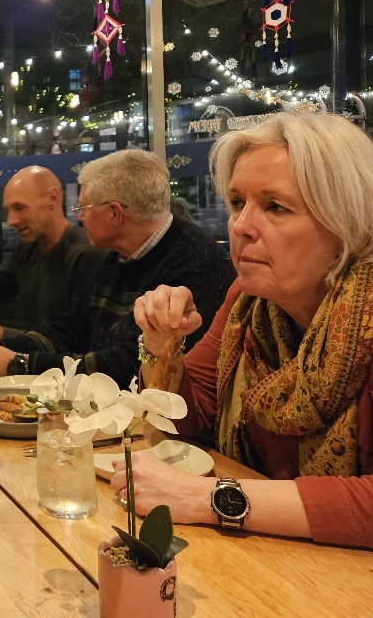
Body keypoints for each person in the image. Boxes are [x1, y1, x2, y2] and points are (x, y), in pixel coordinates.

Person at [125, 110, 373, 549]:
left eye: (276, 207)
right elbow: (188, 415)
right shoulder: (249, 303)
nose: (240, 227)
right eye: (237, 203)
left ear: (347, 222)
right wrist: (162, 345)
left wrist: (212, 498)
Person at [0, 150, 235, 387]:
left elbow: (130, 365)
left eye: (83, 208)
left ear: (114, 212)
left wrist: (17, 363)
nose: (80, 218)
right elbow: (72, 329)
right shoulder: (120, 255)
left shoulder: (196, 265)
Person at [0, 165, 107, 345]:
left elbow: (78, 339)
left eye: (19, 208)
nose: (11, 221)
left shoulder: (87, 255)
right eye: (8, 211)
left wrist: (3, 334)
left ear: (53, 198)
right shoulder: (27, 248)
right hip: (33, 356)